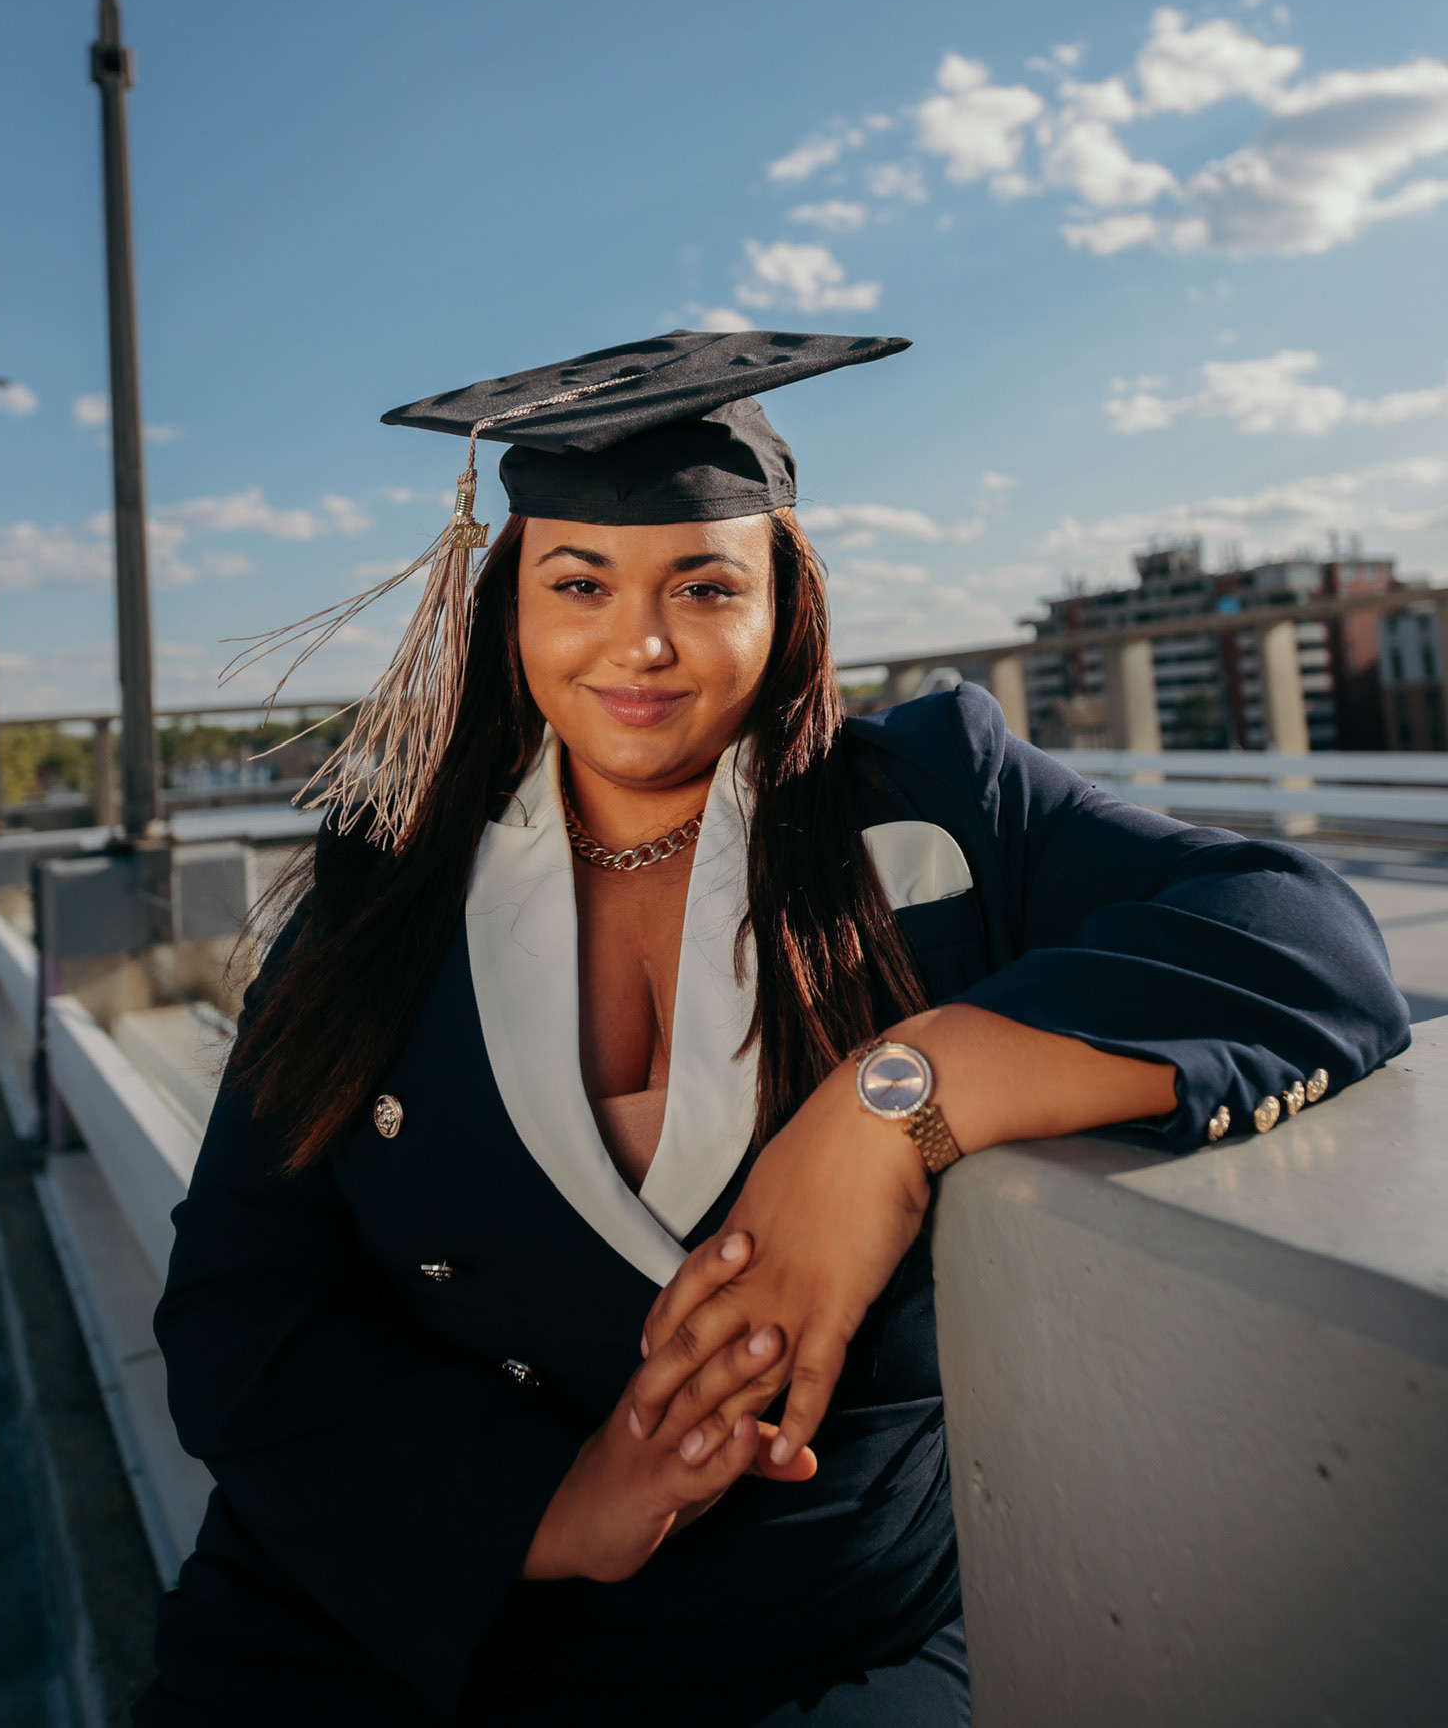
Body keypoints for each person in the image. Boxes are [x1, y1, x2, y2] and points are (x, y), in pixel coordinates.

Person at [134, 330, 1408, 1728]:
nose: (643, 643)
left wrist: (895, 1102)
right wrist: (546, 1504)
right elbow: (239, 1299)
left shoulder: (936, 806)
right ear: (507, 606)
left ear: (785, 597)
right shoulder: (384, 887)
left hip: (815, 1642)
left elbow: (1304, 938)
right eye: (580, 584)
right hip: (393, 1618)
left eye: (705, 585)